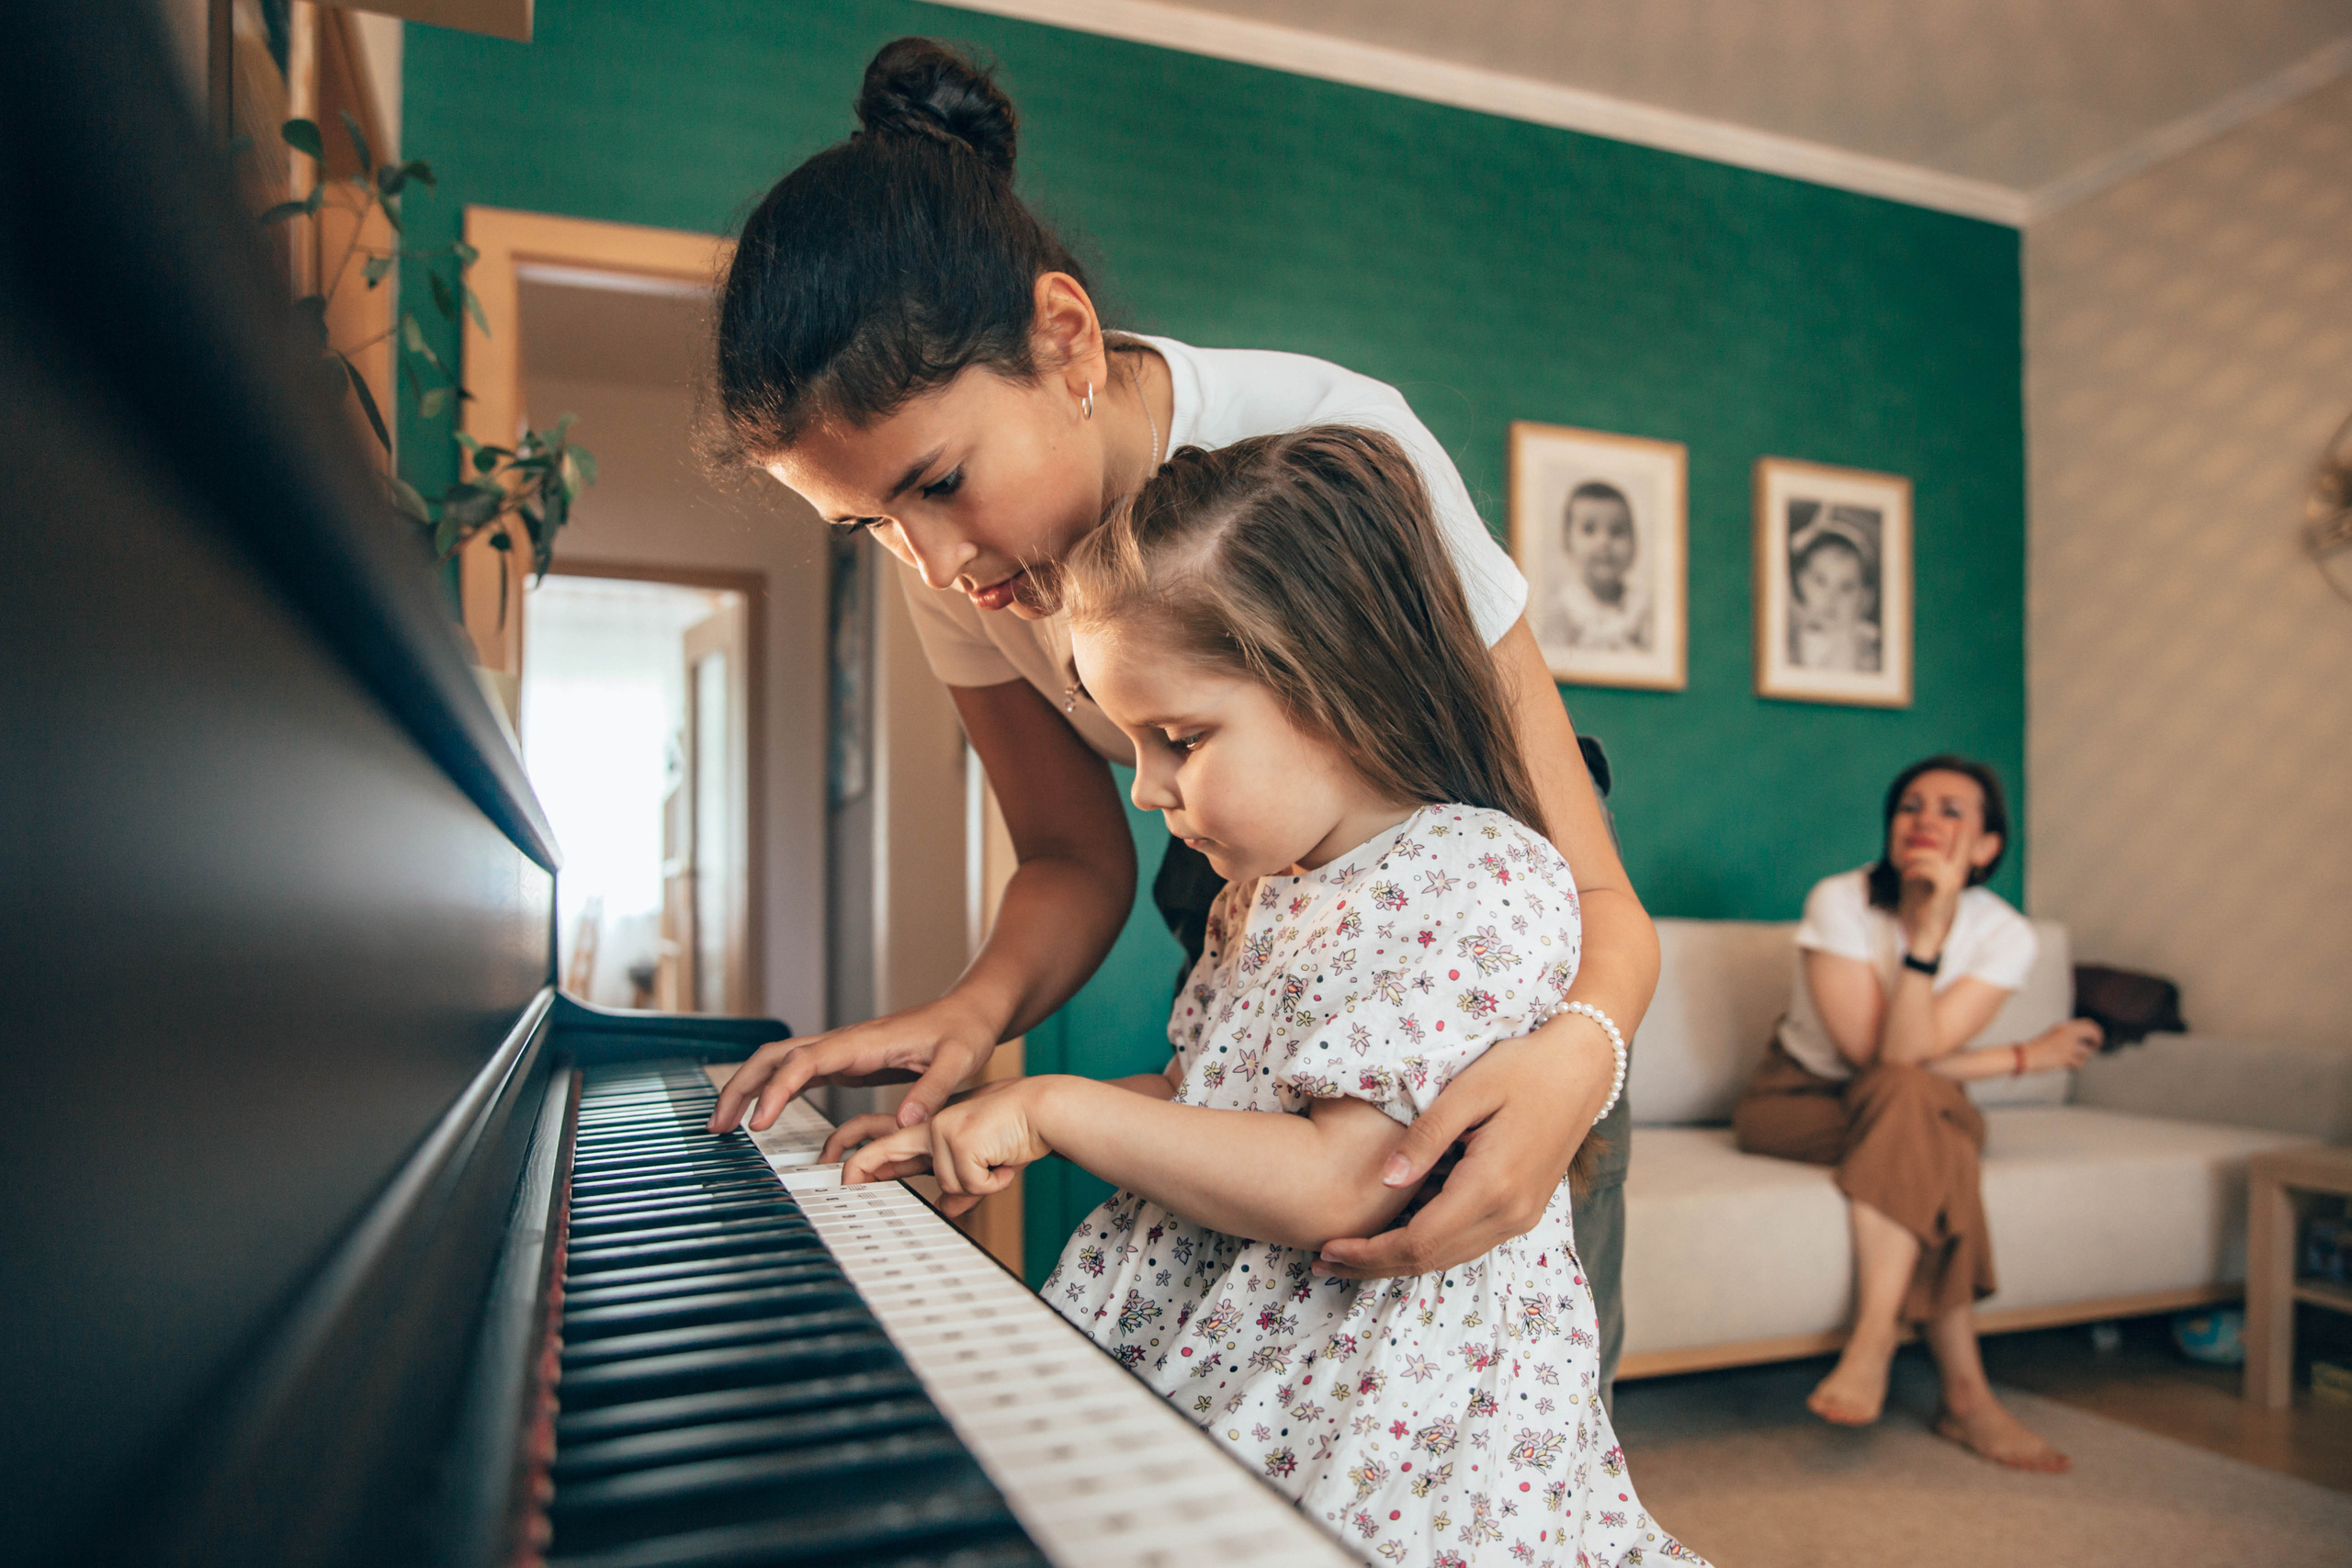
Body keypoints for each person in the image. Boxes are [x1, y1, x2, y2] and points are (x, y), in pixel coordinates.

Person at [701, 38, 1658, 1381]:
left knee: (1502, 1379)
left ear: (1067, 338)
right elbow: (1073, 853)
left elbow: (1598, 895)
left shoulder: (1340, 439)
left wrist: (1577, 1064)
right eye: (870, 524)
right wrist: (976, 1014)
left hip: (1507, 960)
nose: (933, 563)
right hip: (1252, 915)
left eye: (939, 481)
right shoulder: (957, 567)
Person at [839, 428, 1703, 1568]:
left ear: (1335, 688)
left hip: (1367, 1412)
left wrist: (1052, 1109)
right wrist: (992, 1122)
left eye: (1179, 739)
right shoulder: (1263, 894)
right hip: (1233, 1337)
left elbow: (1344, 1181)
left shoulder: (1475, 879)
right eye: (1131, 741)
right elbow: (1208, 1094)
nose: (1146, 790)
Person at [1731, 756, 2101, 1471]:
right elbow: (1885, 1054)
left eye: (1951, 810)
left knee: (1916, 1107)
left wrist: (1932, 933)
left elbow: (1905, 1068)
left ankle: (1876, 1344)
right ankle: (1964, 1394)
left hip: (1910, 1099)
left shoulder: (2005, 933)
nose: (1925, 820)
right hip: (1797, 1098)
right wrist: (2023, 1055)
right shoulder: (1840, 900)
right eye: (1911, 805)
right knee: (1929, 1126)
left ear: (1989, 845)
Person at [1537, 480, 1649, 651]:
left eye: (1617, 532)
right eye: (1589, 530)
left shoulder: (1642, 610)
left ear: (1635, 544)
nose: (1604, 542)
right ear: (1567, 541)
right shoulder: (1562, 609)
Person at [1786, 507, 1880, 672]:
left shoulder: (1869, 648)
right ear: (1801, 581)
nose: (1831, 597)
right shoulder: (1790, 637)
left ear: (1865, 598)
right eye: (1820, 581)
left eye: (1846, 588)